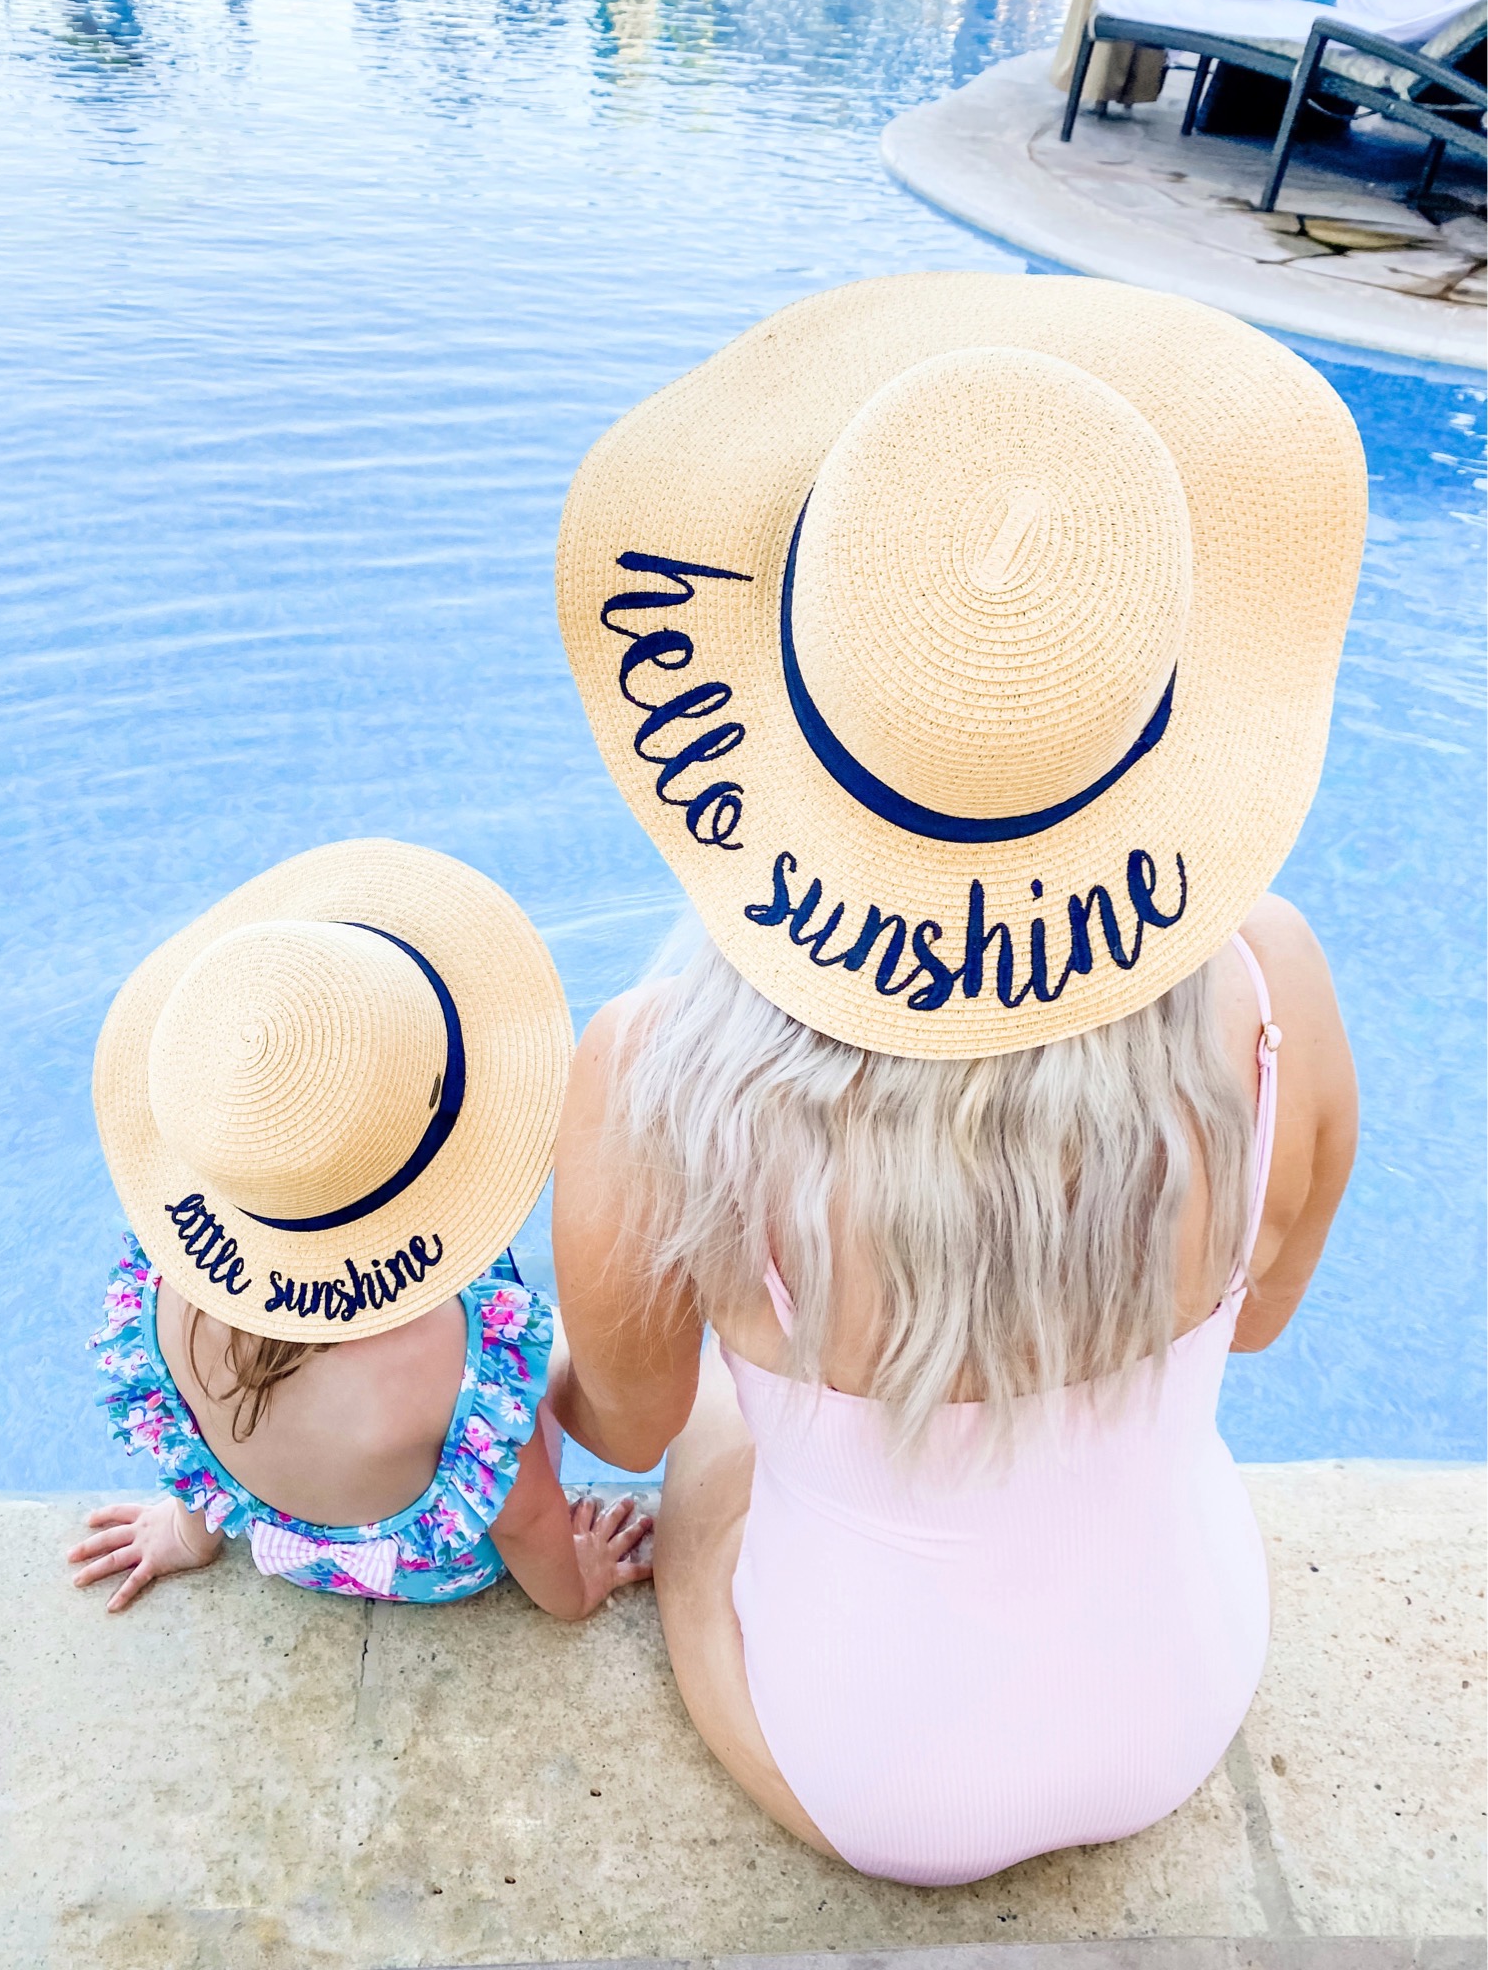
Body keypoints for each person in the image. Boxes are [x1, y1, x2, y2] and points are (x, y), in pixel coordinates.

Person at [547, 273, 1363, 1883]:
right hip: (1185, 1684)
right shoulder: (1271, 980)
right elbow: (1255, 1320)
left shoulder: (654, 1071)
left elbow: (627, 1431)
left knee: (722, 1404)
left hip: (866, 1769)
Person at [69, 838, 650, 1619]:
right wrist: (577, 1590)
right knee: (560, 1355)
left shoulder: (166, 1291)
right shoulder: (458, 1362)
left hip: (282, 1541)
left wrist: (185, 1535)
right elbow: (530, 1525)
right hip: (433, 1570)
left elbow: (195, 1453)